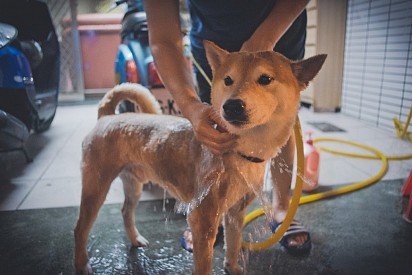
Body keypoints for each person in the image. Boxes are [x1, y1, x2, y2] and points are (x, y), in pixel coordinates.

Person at [144, 0, 311, 255]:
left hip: (279, 31)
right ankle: (213, 208)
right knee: (216, 128)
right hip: (214, 45)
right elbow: (163, 39)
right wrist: (190, 107)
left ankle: (281, 206)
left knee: (277, 121)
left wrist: (264, 41)